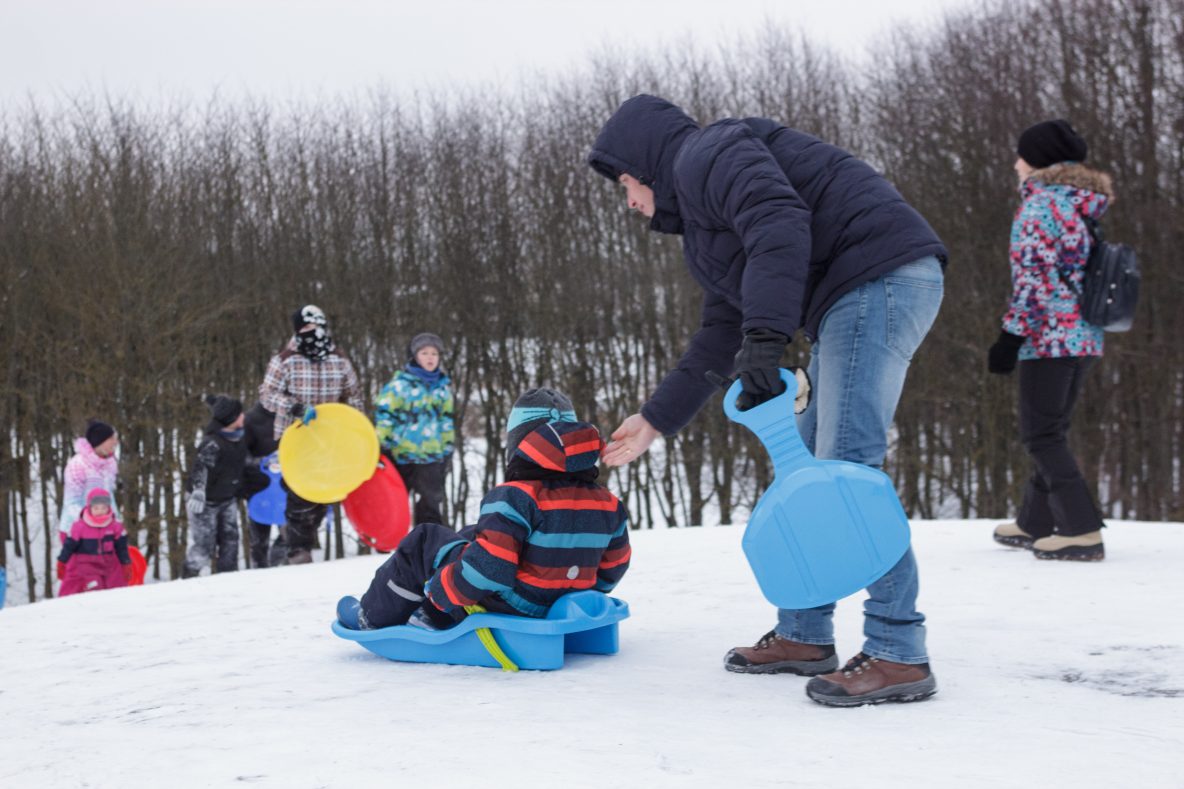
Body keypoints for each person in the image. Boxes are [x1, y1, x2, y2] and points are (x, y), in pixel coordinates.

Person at [588, 94, 946, 706]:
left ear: (644, 163)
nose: (629, 201)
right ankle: (805, 635)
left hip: (877, 278)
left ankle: (898, 650)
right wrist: (654, 419)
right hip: (855, 292)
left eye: (625, 182)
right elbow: (719, 332)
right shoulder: (705, 228)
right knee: (805, 466)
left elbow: (778, 221)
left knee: (845, 474)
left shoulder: (708, 154)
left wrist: (767, 337)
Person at [337, 388, 630, 631]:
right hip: (563, 608)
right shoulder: (608, 503)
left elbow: (488, 572)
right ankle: (428, 613)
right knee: (473, 536)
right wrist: (568, 588)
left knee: (425, 540)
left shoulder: (516, 497)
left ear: (520, 445)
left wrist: (439, 593)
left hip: (509, 608)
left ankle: (374, 616)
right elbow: (612, 571)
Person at [988, 120, 1111, 562]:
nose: (1016, 163)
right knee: (1051, 430)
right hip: (1085, 336)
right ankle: (1035, 521)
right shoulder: (1082, 204)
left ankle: (1081, 530)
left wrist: (1010, 336)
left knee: (1040, 435)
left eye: (1021, 155)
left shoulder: (1040, 207)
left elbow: (1034, 282)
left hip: (1049, 338)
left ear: (1039, 160)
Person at [259, 304, 364, 565]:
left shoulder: (339, 360)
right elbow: (267, 395)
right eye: (307, 327)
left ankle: (291, 537)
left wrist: (353, 426)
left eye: (317, 327)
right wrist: (293, 407)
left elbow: (354, 396)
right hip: (295, 440)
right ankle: (298, 551)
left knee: (320, 498)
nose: (313, 332)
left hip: (328, 442)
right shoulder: (285, 360)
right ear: (298, 330)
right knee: (299, 494)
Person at [374, 332, 456, 527]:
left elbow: (446, 422)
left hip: (431, 457)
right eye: (424, 353)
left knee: (431, 505)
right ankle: (391, 540)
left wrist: (447, 450)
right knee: (393, 505)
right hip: (401, 456)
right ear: (415, 356)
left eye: (434, 354)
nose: (430, 358)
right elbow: (385, 417)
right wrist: (381, 446)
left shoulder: (442, 389)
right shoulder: (399, 386)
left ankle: (427, 539)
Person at [182, 395, 249, 577]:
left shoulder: (240, 437)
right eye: (239, 414)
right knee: (204, 546)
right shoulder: (213, 442)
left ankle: (227, 578)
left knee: (230, 540)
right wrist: (198, 490)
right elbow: (201, 466)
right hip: (203, 502)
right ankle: (188, 578)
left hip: (227, 498)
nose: (243, 416)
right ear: (232, 419)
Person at [58, 488, 133, 596]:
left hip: (108, 566)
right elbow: (69, 546)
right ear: (89, 508)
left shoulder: (115, 526)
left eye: (103, 508)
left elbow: (121, 548)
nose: (100, 512)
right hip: (87, 567)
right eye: (96, 508)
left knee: (114, 590)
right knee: (95, 589)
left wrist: (126, 563)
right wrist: (62, 561)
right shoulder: (79, 526)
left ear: (109, 508)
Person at [57, 419, 120, 543]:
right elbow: (71, 503)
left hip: (104, 530)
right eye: (111, 439)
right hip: (74, 531)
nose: (115, 442)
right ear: (100, 441)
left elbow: (109, 497)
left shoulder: (110, 464)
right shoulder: (77, 465)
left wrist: (116, 522)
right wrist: (92, 523)